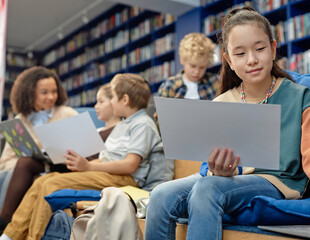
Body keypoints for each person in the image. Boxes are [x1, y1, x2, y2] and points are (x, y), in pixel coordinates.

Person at [145, 7, 310, 240]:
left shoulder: (300, 97)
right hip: (226, 179)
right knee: (159, 195)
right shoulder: (221, 102)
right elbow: (209, 164)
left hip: (277, 180)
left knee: (208, 189)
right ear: (228, 60)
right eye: (240, 54)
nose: (252, 60)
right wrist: (215, 170)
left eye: (259, 49)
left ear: (273, 48)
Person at [0, 73, 164, 240]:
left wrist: (89, 166)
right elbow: (108, 158)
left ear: (125, 100)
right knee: (42, 181)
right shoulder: (124, 124)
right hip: (109, 175)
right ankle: (9, 235)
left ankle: (32, 238)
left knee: (52, 184)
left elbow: (130, 165)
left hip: (124, 178)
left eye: (112, 97)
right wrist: (82, 164)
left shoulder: (142, 124)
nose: (110, 102)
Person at [0, 66, 78, 229]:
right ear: (29, 93)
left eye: (54, 91)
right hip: (30, 170)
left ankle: (6, 225)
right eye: (44, 92)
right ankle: (10, 225)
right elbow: (5, 162)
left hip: (61, 168)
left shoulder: (67, 114)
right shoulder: (20, 120)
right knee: (26, 165)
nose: (51, 97)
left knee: (34, 173)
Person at [157, 32, 219, 100]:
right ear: (182, 60)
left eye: (202, 67)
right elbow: (161, 110)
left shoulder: (215, 82)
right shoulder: (169, 86)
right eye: (193, 66)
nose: (197, 72)